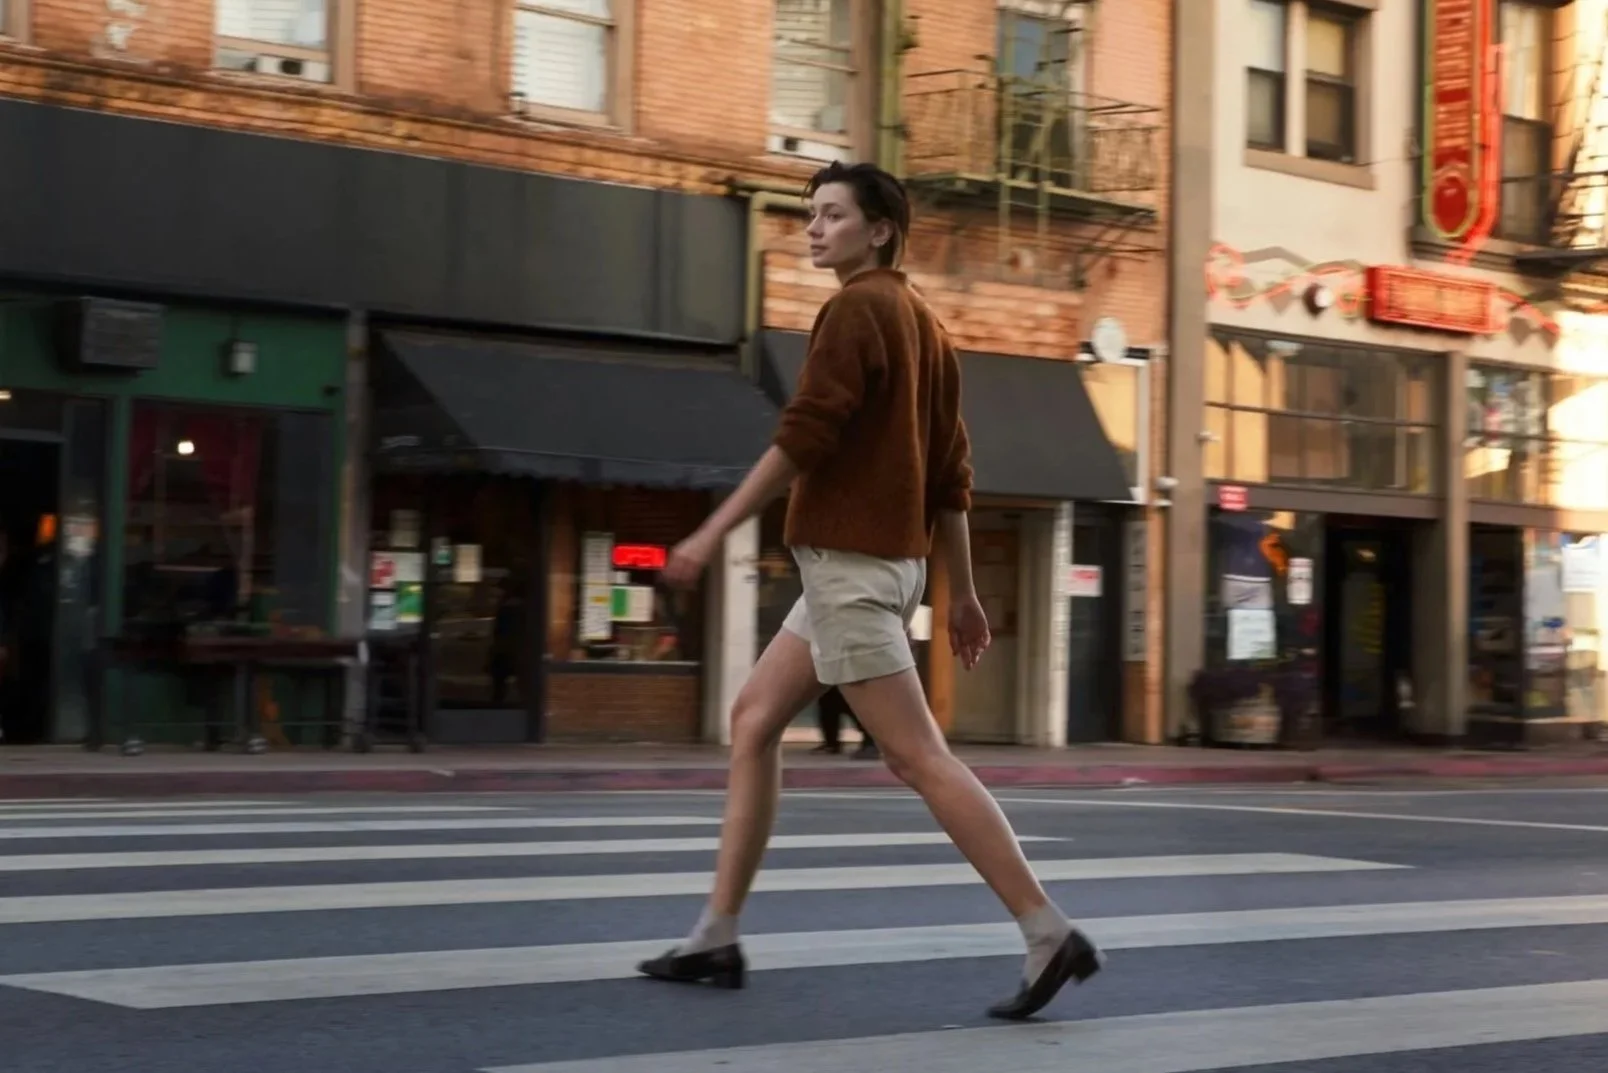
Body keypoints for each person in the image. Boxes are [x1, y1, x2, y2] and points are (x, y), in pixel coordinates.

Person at [635, 160, 1103, 1020]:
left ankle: (1046, 929)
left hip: (851, 567)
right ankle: (717, 934)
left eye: (832, 216)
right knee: (753, 721)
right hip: (865, 568)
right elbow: (952, 475)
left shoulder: (858, 308)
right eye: (811, 215)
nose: (814, 229)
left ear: (879, 229)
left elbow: (804, 437)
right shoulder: (925, 323)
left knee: (915, 756)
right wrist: (958, 591)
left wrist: (710, 530)